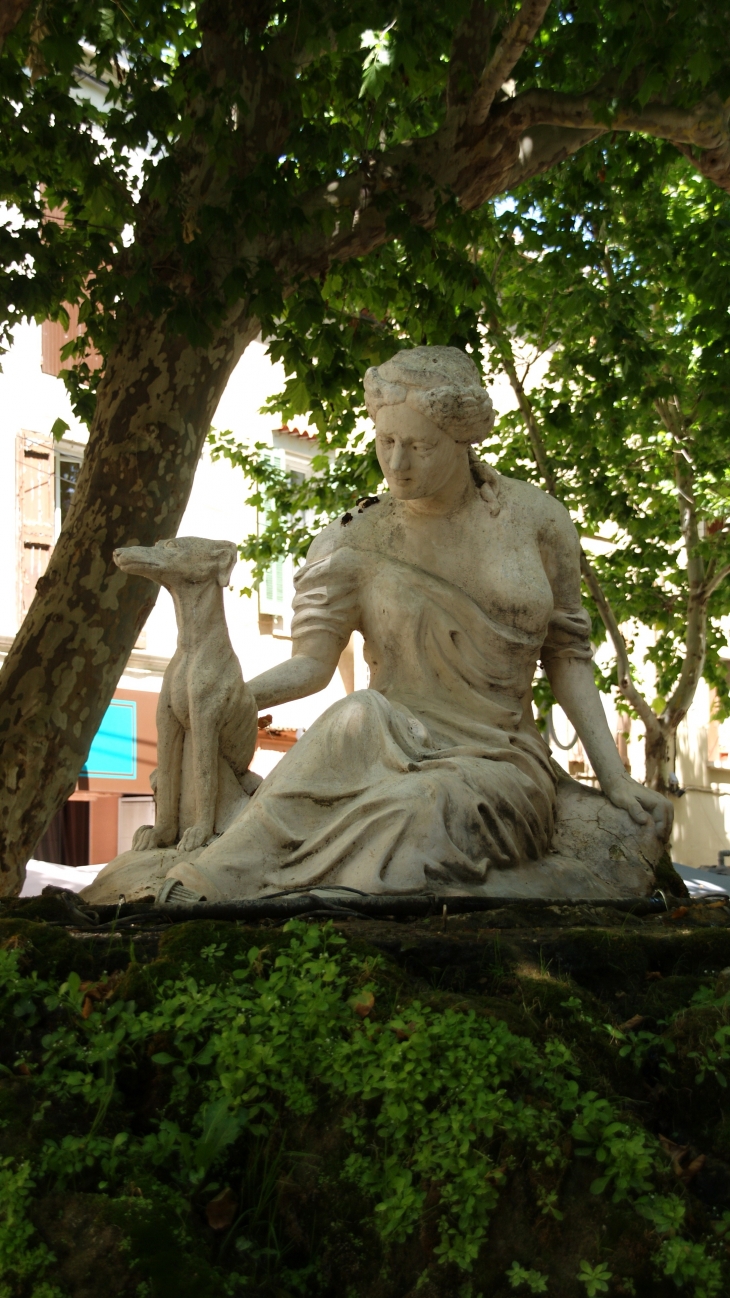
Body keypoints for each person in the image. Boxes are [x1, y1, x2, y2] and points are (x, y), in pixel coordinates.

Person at [164, 346, 671, 901]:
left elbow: (568, 658)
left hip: (497, 757)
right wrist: (232, 698)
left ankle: (330, 896)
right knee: (355, 712)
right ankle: (220, 875)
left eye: (420, 447)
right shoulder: (354, 537)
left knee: (422, 805)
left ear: (462, 440)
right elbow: (311, 666)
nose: (397, 464)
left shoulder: (537, 521)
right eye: (386, 443)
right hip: (385, 737)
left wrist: (615, 779)